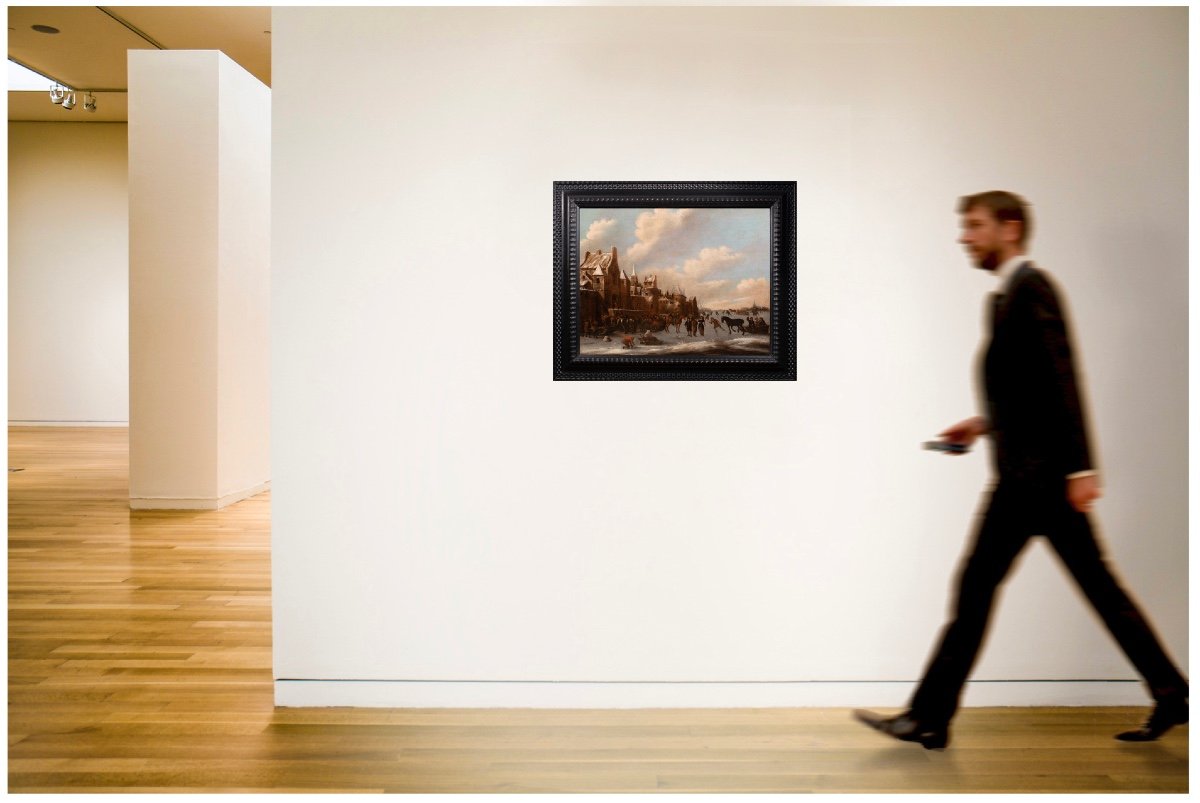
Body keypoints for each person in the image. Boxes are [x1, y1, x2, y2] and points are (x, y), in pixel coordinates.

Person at [854, 191, 1188, 750]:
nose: (965, 237)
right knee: (1093, 590)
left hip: (1038, 481)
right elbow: (1029, 390)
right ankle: (1173, 693)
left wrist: (1082, 468)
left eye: (975, 226)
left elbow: (1063, 379)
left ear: (1010, 229)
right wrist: (983, 425)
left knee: (978, 590)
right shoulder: (1003, 299)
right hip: (1029, 475)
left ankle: (929, 716)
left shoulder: (1034, 288)